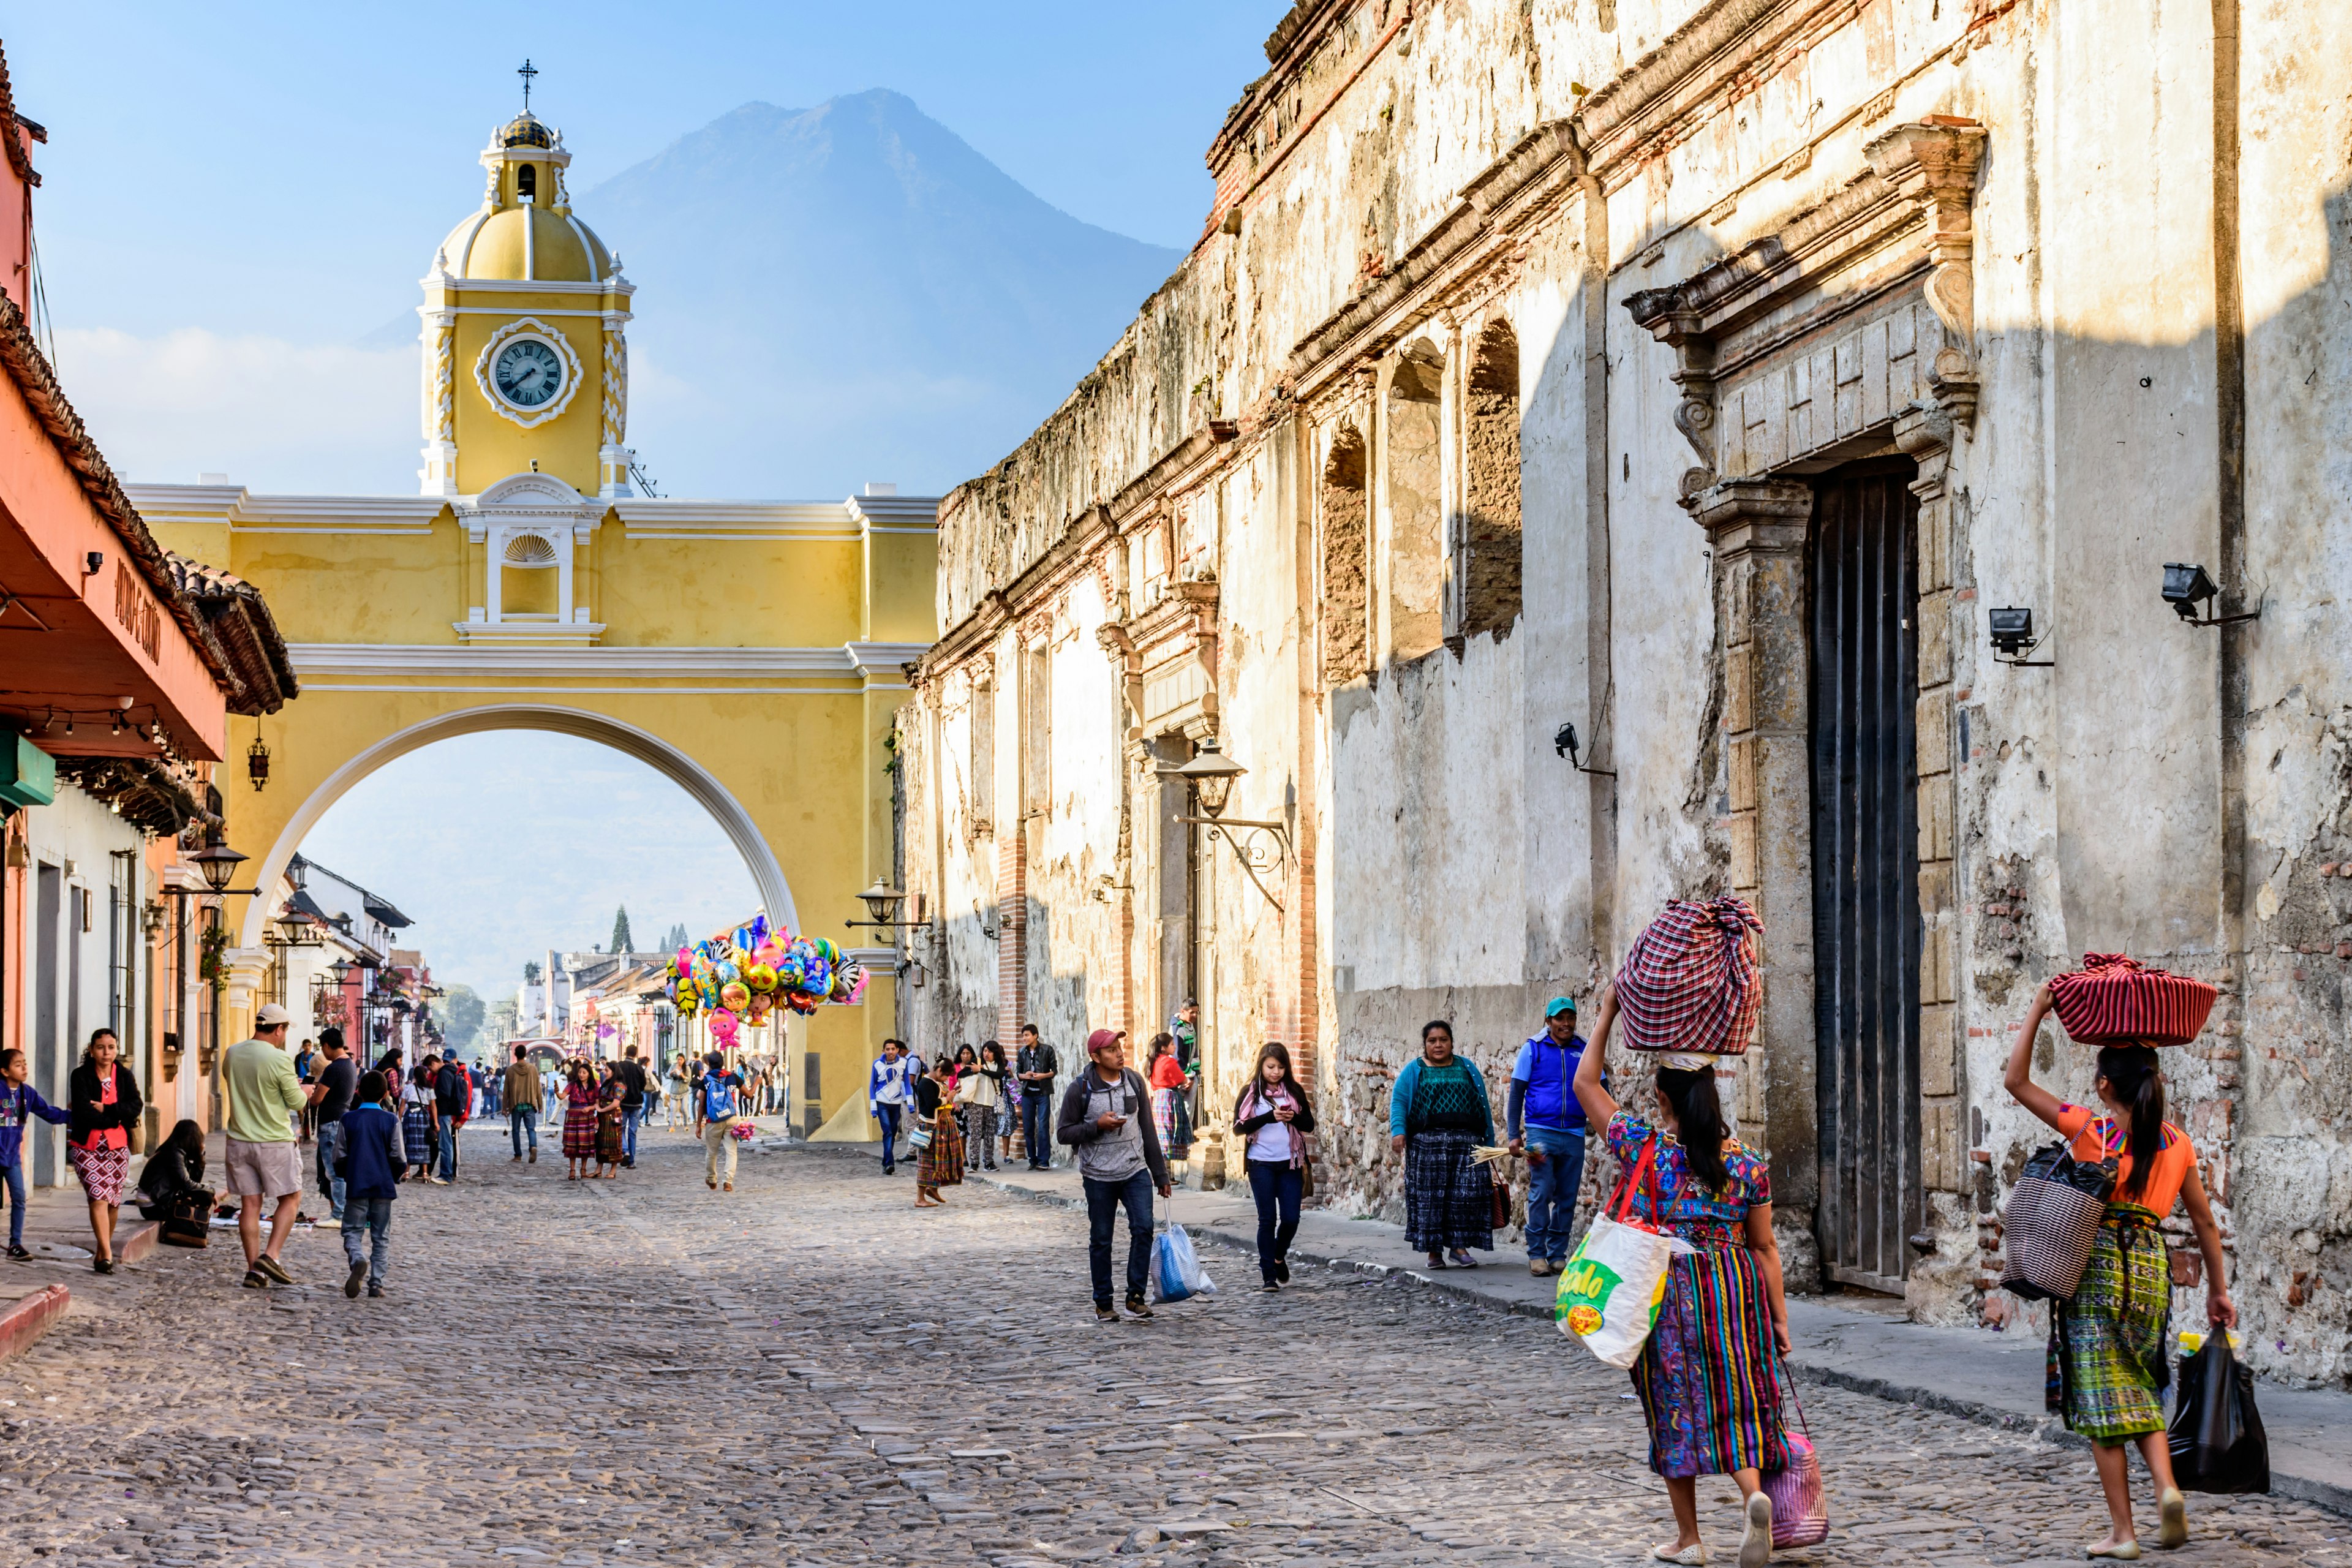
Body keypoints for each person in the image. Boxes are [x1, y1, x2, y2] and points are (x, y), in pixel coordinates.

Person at [2004, 981, 2234, 1559]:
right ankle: (2167, 1490)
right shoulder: (2178, 1143)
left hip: (2098, 1265)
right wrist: (2218, 1292)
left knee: (2102, 1403)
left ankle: (2124, 1534)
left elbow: (2016, 1081)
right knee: (2139, 1386)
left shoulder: (2091, 1129)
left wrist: (2038, 1007)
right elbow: (2206, 1225)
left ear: (2105, 1085)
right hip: (2152, 1268)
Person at [1574, 987, 1789, 1568]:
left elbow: (1586, 1086)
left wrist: (1609, 1012)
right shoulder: (1747, 1165)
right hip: (1735, 1289)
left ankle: (1690, 1540)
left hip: (1668, 1287)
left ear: (1661, 1097)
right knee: (1736, 1400)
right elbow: (1766, 1247)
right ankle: (1754, 1496)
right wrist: (1779, 1319)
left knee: (1674, 1405)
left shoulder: (1646, 1146)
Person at [1057, 1029, 1173, 1322]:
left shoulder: (1133, 1081)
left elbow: (1147, 1128)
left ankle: (1136, 1297)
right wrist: (1096, 1125)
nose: (1119, 1053)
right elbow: (1063, 1133)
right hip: (1098, 1175)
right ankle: (1103, 1303)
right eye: (1111, 1050)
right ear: (1096, 1057)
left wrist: (1160, 1174)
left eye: (1120, 1047)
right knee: (1102, 1238)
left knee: (1144, 1228)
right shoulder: (1079, 1089)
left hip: (1135, 1170)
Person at [1387, 1020, 1496, 1269]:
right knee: (1431, 1200)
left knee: (1464, 1197)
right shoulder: (1414, 1070)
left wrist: (1488, 1143)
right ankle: (1433, 1252)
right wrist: (1398, 1131)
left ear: (1452, 1042)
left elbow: (1483, 1107)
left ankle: (1458, 1248)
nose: (1438, 1045)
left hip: (1466, 1145)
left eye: (1443, 1040)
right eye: (1432, 1041)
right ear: (1425, 1044)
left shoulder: (1466, 1068)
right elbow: (1399, 1102)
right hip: (1427, 1146)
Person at [1507, 997, 1602, 1276]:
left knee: (1567, 1197)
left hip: (1573, 1134)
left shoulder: (1584, 1049)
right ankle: (1537, 1254)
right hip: (1539, 1134)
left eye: (1570, 1018)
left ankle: (1557, 1253)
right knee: (1541, 1192)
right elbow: (1516, 1095)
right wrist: (1515, 1134)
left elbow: (1601, 1091)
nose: (1566, 1024)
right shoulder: (1533, 1049)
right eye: (1559, 1019)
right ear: (1548, 1022)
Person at [223, 1003, 311, 1289]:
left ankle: (254, 1272)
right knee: (291, 1198)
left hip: (239, 1139)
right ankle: (270, 1256)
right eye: (285, 1030)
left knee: (250, 1204)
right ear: (279, 1029)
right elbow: (296, 1102)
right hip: (273, 1140)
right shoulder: (279, 1058)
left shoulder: (233, 1053)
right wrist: (305, 1090)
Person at [1234, 1041, 1315, 1292]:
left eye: (1280, 1067)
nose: (1275, 1072)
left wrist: (1293, 1118)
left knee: (1291, 1218)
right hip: (1261, 1164)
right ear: (1262, 1065)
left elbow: (1309, 1125)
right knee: (1267, 1219)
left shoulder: (1294, 1091)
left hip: (1290, 1163)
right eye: (1271, 1067)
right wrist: (1270, 1117)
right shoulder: (1250, 1092)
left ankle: (1279, 1256)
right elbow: (1238, 1128)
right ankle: (1268, 1275)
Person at [66, 1027, 145, 1275]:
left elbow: (135, 1105)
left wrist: (107, 1109)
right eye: (101, 1047)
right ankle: (108, 1252)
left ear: (116, 1049)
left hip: (118, 1148)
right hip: (87, 1147)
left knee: (112, 1202)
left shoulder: (124, 1075)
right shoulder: (80, 1076)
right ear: (91, 1050)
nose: (106, 1052)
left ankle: (102, 1254)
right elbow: (82, 1111)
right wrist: (114, 1117)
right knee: (98, 1197)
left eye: (111, 1047)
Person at [334, 1071, 402, 1298]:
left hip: (357, 1185)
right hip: (383, 1186)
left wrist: (347, 1174)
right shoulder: (391, 1120)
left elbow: (339, 1156)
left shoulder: (348, 1119)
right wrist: (395, 1175)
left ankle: (357, 1259)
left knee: (352, 1230)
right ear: (385, 1095)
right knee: (381, 1236)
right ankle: (376, 1284)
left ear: (359, 1092)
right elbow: (398, 1156)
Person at [0, 1047, 68, 1261]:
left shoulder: (27, 1093)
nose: (24, 1068)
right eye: (18, 1065)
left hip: (12, 1158)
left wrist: (75, 1116)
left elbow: (48, 1113)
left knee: (19, 1198)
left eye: (25, 1063)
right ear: (5, 1071)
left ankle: (15, 1245)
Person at [306, 1030, 358, 1223]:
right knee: (341, 1171)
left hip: (331, 1123)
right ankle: (345, 1214)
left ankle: (339, 1215)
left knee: (335, 1173)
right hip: (342, 1120)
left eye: (323, 1048)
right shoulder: (350, 1065)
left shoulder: (333, 1068)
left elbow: (317, 1100)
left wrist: (309, 1091)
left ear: (327, 1045)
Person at [135, 1118, 214, 1243]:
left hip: (159, 1200)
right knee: (206, 1196)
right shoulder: (174, 1154)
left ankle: (190, 1224)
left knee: (203, 1194)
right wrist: (210, 1190)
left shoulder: (176, 1151)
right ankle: (189, 1228)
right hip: (152, 1206)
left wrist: (200, 1159)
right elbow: (188, 1185)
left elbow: (192, 1183)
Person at [912, 1054, 960, 1207]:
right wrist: (948, 1097)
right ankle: (920, 1198)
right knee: (927, 1161)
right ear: (939, 1070)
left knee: (939, 1160)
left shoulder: (936, 1082)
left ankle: (933, 1189)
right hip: (931, 1126)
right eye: (945, 1075)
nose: (946, 1079)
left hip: (943, 1124)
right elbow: (932, 1103)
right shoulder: (926, 1083)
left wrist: (951, 1094)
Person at [696, 1050, 747, 1193]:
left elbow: (701, 1104)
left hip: (713, 1120)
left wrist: (699, 1125)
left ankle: (712, 1180)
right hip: (731, 1118)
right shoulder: (732, 1077)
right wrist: (757, 1083)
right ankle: (728, 1182)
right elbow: (748, 1095)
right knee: (732, 1152)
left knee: (712, 1152)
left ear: (709, 1065)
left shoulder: (706, 1079)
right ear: (723, 1063)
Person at [869, 1039, 916, 1175]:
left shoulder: (903, 1063)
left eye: (893, 1049)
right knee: (888, 1131)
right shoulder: (877, 1064)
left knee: (893, 1132)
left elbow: (907, 1084)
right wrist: (873, 1107)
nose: (890, 1052)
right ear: (883, 1050)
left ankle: (886, 1161)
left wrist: (911, 1103)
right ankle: (890, 1163)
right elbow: (872, 1085)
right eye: (888, 1049)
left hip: (896, 1103)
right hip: (881, 1102)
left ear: (897, 1050)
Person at [1015, 1025, 1058, 1170]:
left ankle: (1043, 1161)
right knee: (1028, 1128)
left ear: (1035, 1036)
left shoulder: (1047, 1050)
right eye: (1023, 1036)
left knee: (1043, 1126)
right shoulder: (1022, 1052)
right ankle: (1032, 1160)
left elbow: (1054, 1071)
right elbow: (1018, 1074)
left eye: (1027, 1035)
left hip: (1043, 1093)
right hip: (1028, 1094)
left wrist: (1042, 1076)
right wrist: (1024, 1076)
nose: (1024, 1038)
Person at [958, 1042, 1004, 1173]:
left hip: (991, 1103)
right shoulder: (975, 1062)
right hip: (976, 1103)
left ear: (995, 1053)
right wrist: (973, 1071)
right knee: (976, 1133)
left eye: (989, 1051)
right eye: (985, 1051)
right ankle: (974, 1162)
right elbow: (960, 1075)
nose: (986, 1054)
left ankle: (989, 1162)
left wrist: (981, 1070)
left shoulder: (998, 1065)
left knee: (990, 1133)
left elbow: (999, 1075)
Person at [434, 1052, 470, 1183]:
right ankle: (449, 1173)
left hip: (445, 1112)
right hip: (451, 1113)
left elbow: (461, 1096)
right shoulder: (454, 1072)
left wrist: (463, 1118)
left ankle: (447, 1174)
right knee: (448, 1143)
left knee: (446, 1144)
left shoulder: (447, 1073)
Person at [1145, 1032, 1186, 1150]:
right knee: (1171, 1131)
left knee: (1160, 1131)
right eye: (1172, 1044)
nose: (1175, 1047)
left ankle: (1163, 1160)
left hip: (1158, 1099)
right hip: (1169, 1099)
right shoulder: (1169, 1062)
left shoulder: (1154, 1061)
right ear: (1164, 1048)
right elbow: (1183, 1079)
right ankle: (1168, 1162)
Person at [560, 1061, 600, 1181]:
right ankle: (572, 1170)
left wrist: (589, 1108)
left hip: (586, 1117)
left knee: (585, 1144)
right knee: (572, 1144)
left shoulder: (594, 1088)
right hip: (573, 1117)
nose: (581, 1075)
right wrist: (557, 1092)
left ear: (589, 1074)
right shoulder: (572, 1085)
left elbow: (597, 1105)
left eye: (584, 1072)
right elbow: (563, 1096)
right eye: (580, 1072)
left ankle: (584, 1169)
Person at [402, 1056, 439, 1182]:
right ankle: (424, 1173)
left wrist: (398, 1119)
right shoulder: (429, 1089)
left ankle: (406, 1172)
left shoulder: (408, 1088)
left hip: (411, 1117)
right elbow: (433, 1106)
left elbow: (402, 1105)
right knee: (424, 1144)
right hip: (424, 1118)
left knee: (409, 1143)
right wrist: (436, 1122)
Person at [505, 1044, 543, 1163]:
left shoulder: (511, 1070)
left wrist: (504, 1107)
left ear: (515, 1055)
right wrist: (540, 1104)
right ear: (525, 1054)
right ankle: (533, 1146)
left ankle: (518, 1155)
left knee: (516, 1130)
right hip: (530, 1104)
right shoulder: (532, 1069)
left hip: (516, 1105)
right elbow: (538, 1088)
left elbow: (506, 1091)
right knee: (531, 1129)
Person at [613, 1046, 648, 1168]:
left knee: (620, 1129)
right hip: (637, 1103)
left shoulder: (619, 1066)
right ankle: (631, 1161)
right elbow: (643, 1085)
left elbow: (615, 1082)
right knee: (633, 1132)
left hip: (622, 1103)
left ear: (625, 1053)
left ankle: (625, 1150)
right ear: (635, 1054)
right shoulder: (639, 1068)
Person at [595, 1072, 627, 1178]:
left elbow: (615, 1103)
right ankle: (598, 1169)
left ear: (614, 1072)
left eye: (607, 1070)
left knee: (614, 1142)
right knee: (601, 1142)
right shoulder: (606, 1084)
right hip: (603, 1117)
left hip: (613, 1117)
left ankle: (613, 1170)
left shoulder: (619, 1086)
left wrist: (602, 1109)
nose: (605, 1072)